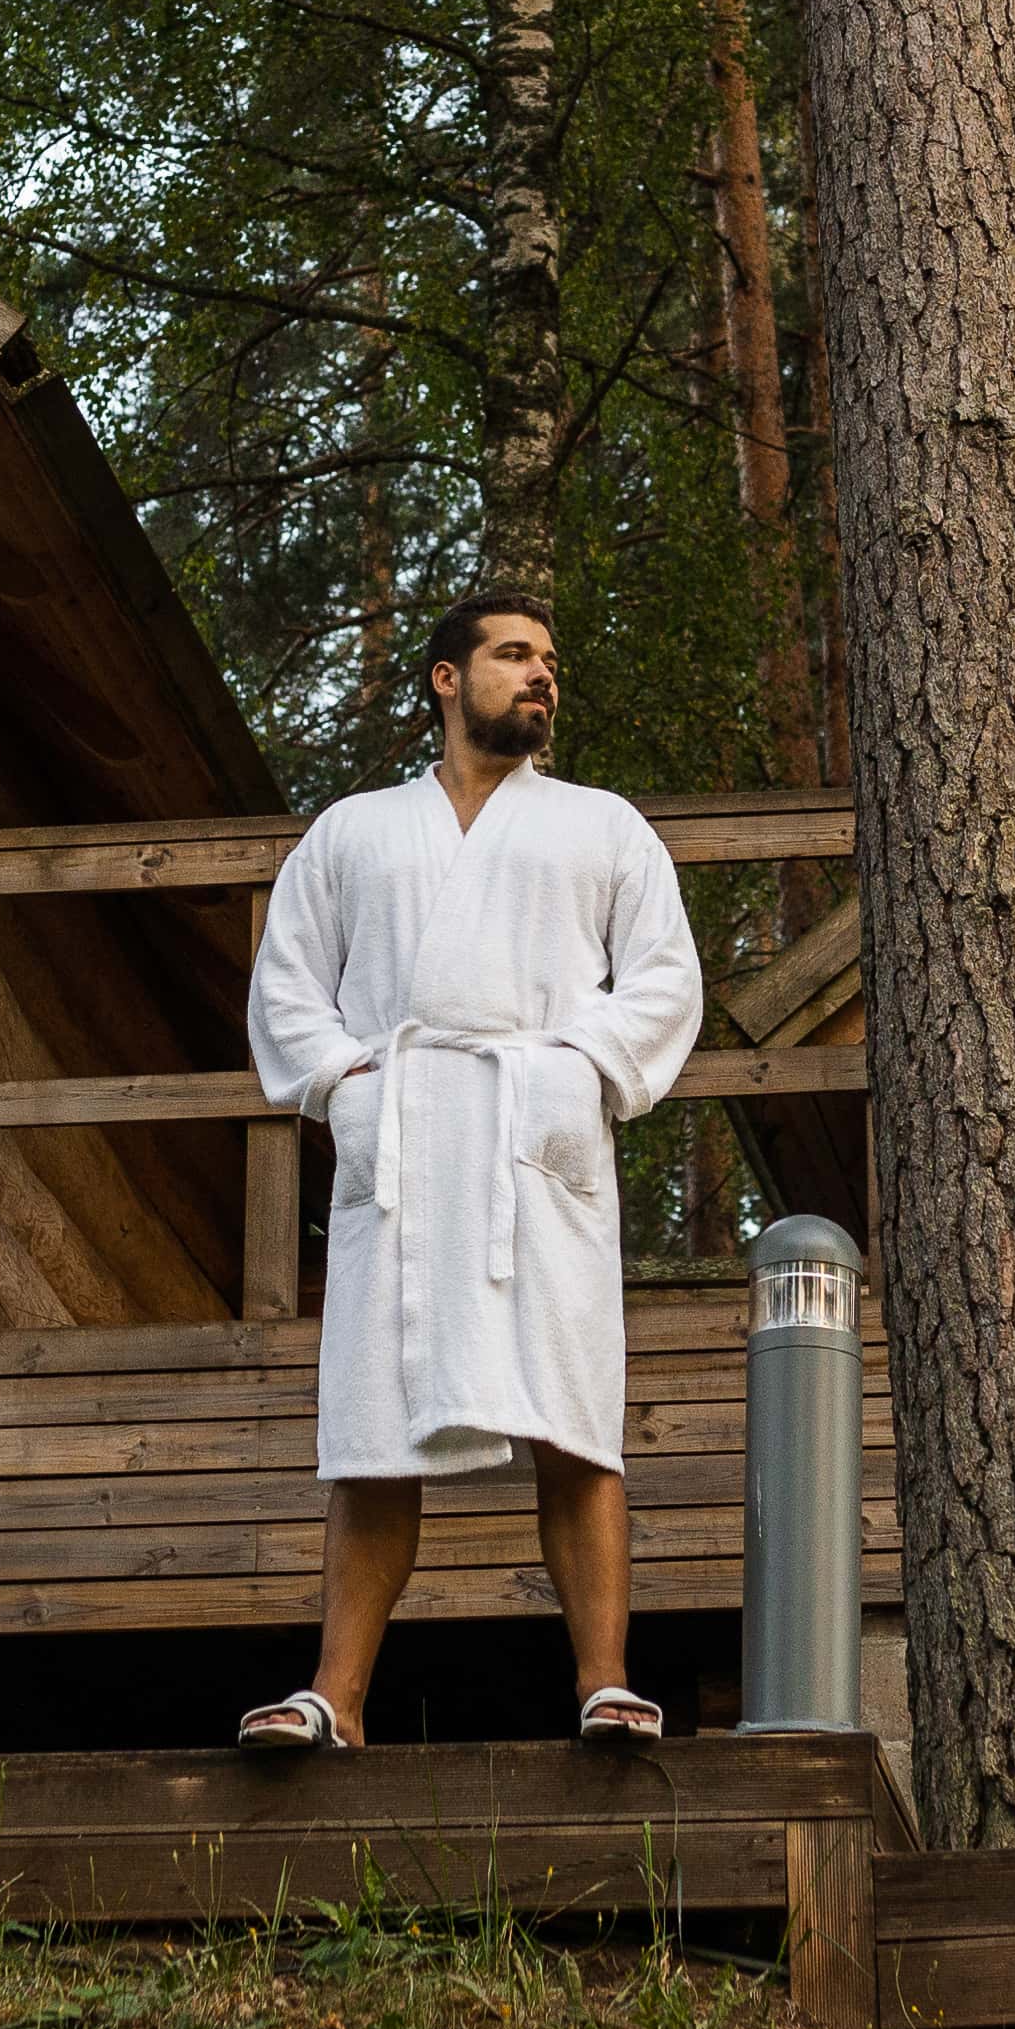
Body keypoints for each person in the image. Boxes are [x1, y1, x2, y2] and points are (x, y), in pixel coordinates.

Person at [229, 592, 706, 1749]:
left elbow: (663, 980)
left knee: (574, 1416)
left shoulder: (602, 827)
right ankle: (335, 1699)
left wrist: (572, 1072)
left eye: (550, 658)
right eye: (512, 654)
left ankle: (604, 1680)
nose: (541, 674)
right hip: (405, 1142)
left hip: (532, 1141)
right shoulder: (352, 832)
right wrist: (348, 1086)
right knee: (372, 1428)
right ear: (447, 678)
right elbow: (287, 982)